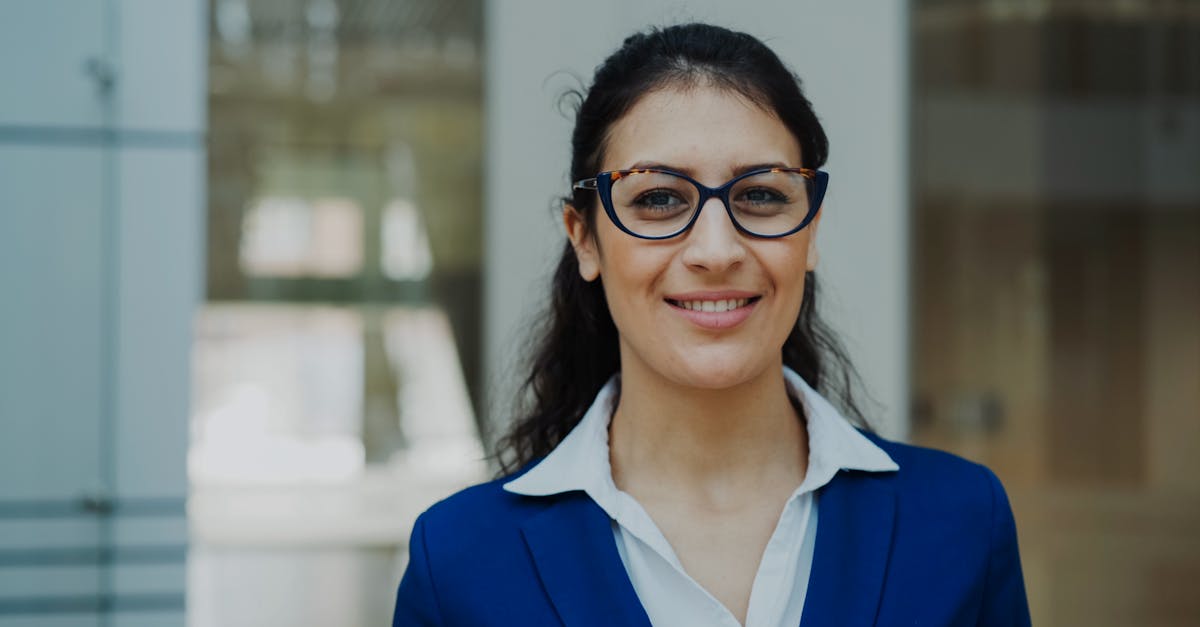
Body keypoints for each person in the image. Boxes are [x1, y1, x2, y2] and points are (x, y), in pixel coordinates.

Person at [393, 23, 1031, 627]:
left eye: (761, 194)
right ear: (584, 239)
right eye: (658, 198)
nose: (716, 250)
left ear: (811, 231)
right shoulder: (458, 562)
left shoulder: (962, 522)